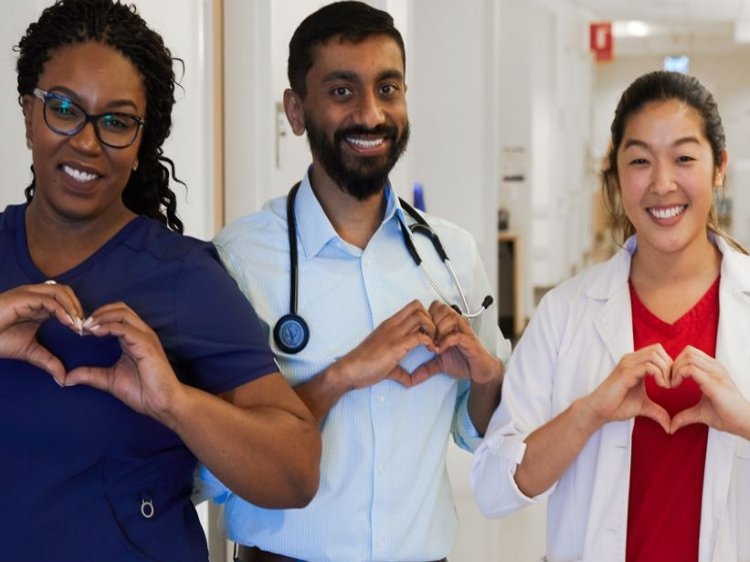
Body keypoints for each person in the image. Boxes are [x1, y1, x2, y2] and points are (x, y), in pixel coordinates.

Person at [0, 1, 321, 560]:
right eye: (64, 108)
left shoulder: (182, 278)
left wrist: (175, 403)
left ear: (142, 140)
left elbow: (295, 472)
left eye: (117, 121)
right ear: (29, 113)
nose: (87, 141)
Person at [198, 2, 510, 561]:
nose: (371, 114)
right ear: (295, 111)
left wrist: (489, 379)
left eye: (388, 88)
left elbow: (475, 431)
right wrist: (342, 375)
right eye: (343, 91)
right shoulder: (239, 259)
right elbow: (215, 463)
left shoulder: (452, 257)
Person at [471, 70, 750, 562]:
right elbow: (493, 488)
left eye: (684, 158)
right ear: (617, 173)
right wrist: (589, 411)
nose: (662, 183)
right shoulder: (565, 312)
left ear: (719, 167)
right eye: (640, 160)